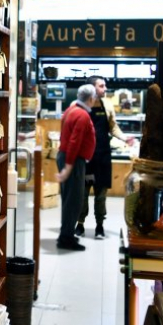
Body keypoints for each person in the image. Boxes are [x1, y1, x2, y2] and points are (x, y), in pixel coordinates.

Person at [75, 76, 135, 240]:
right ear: (92, 88)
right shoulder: (80, 106)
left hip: (102, 156)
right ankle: (79, 224)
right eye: (102, 86)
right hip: (85, 158)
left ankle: (99, 226)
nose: (105, 89)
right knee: (82, 194)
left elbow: (112, 127)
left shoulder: (107, 104)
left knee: (101, 195)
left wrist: (125, 138)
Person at [55, 84, 96, 251]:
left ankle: (66, 234)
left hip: (66, 157)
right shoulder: (82, 115)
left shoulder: (70, 110)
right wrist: (69, 167)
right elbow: (74, 141)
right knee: (74, 201)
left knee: (68, 200)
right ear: (91, 98)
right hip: (73, 160)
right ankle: (66, 238)